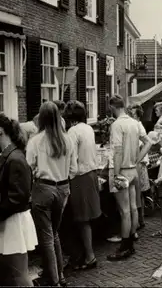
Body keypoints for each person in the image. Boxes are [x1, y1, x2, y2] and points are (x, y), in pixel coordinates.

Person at [0, 112, 38, 286]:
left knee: (19, 275)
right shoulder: (3, 155)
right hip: (7, 220)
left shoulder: (15, 158)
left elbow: (19, 198)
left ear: (0, 132)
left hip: (13, 221)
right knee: (12, 273)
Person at [26, 102, 77, 286]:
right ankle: (60, 275)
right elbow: (74, 169)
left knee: (46, 236)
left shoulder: (35, 140)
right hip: (63, 188)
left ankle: (53, 280)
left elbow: (29, 167)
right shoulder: (67, 140)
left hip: (44, 188)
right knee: (53, 233)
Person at [107, 95, 152, 261]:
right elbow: (148, 142)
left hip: (122, 170)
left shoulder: (117, 125)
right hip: (133, 170)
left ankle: (125, 247)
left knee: (124, 210)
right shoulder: (134, 123)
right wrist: (137, 159)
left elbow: (117, 151)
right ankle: (131, 238)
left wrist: (117, 173)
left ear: (113, 107)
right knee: (132, 207)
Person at [64, 101, 101, 270]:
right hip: (91, 173)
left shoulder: (72, 131)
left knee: (81, 219)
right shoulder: (87, 128)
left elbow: (70, 158)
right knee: (85, 218)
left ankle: (89, 255)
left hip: (79, 177)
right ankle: (86, 253)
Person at [128, 104, 151, 234]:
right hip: (141, 162)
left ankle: (137, 222)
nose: (130, 114)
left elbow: (140, 144)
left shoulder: (137, 126)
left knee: (137, 193)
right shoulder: (137, 125)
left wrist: (137, 159)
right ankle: (140, 220)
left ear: (136, 114)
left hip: (139, 163)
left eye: (131, 113)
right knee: (139, 193)